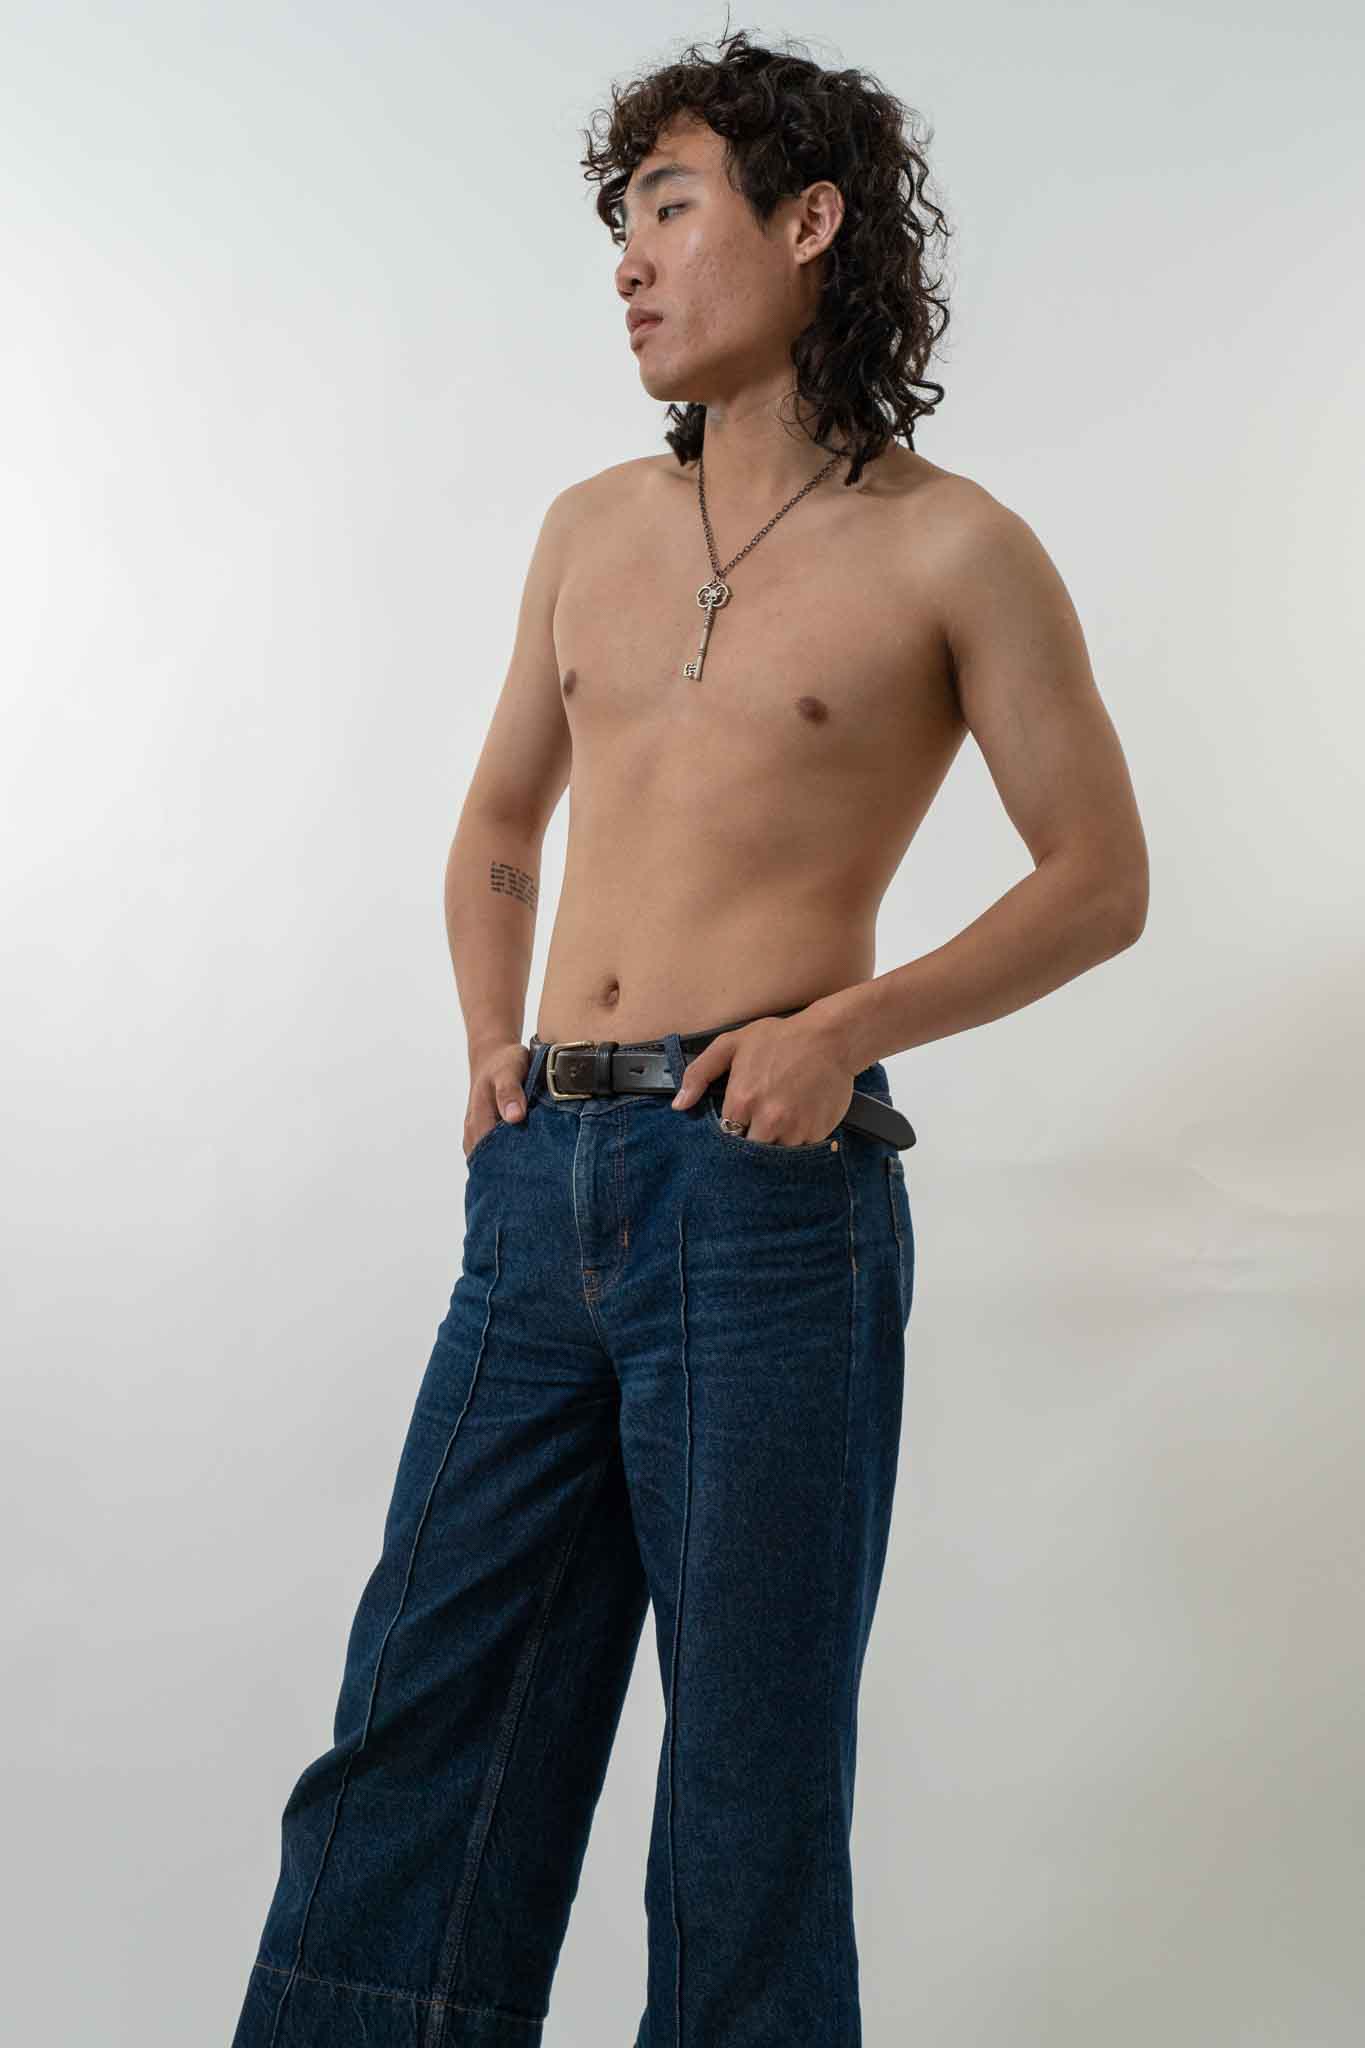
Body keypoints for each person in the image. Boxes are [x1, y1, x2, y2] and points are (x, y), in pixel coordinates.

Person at [231, 30, 1147, 2048]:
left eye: (669, 207)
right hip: (534, 1192)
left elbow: (1097, 878)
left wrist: (847, 1028)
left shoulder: (952, 547)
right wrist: (488, 1041)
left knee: (743, 1784)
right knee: (418, 1725)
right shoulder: (587, 527)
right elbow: (498, 822)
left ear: (808, 224)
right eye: (618, 223)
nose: (630, 261)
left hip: (762, 1194)